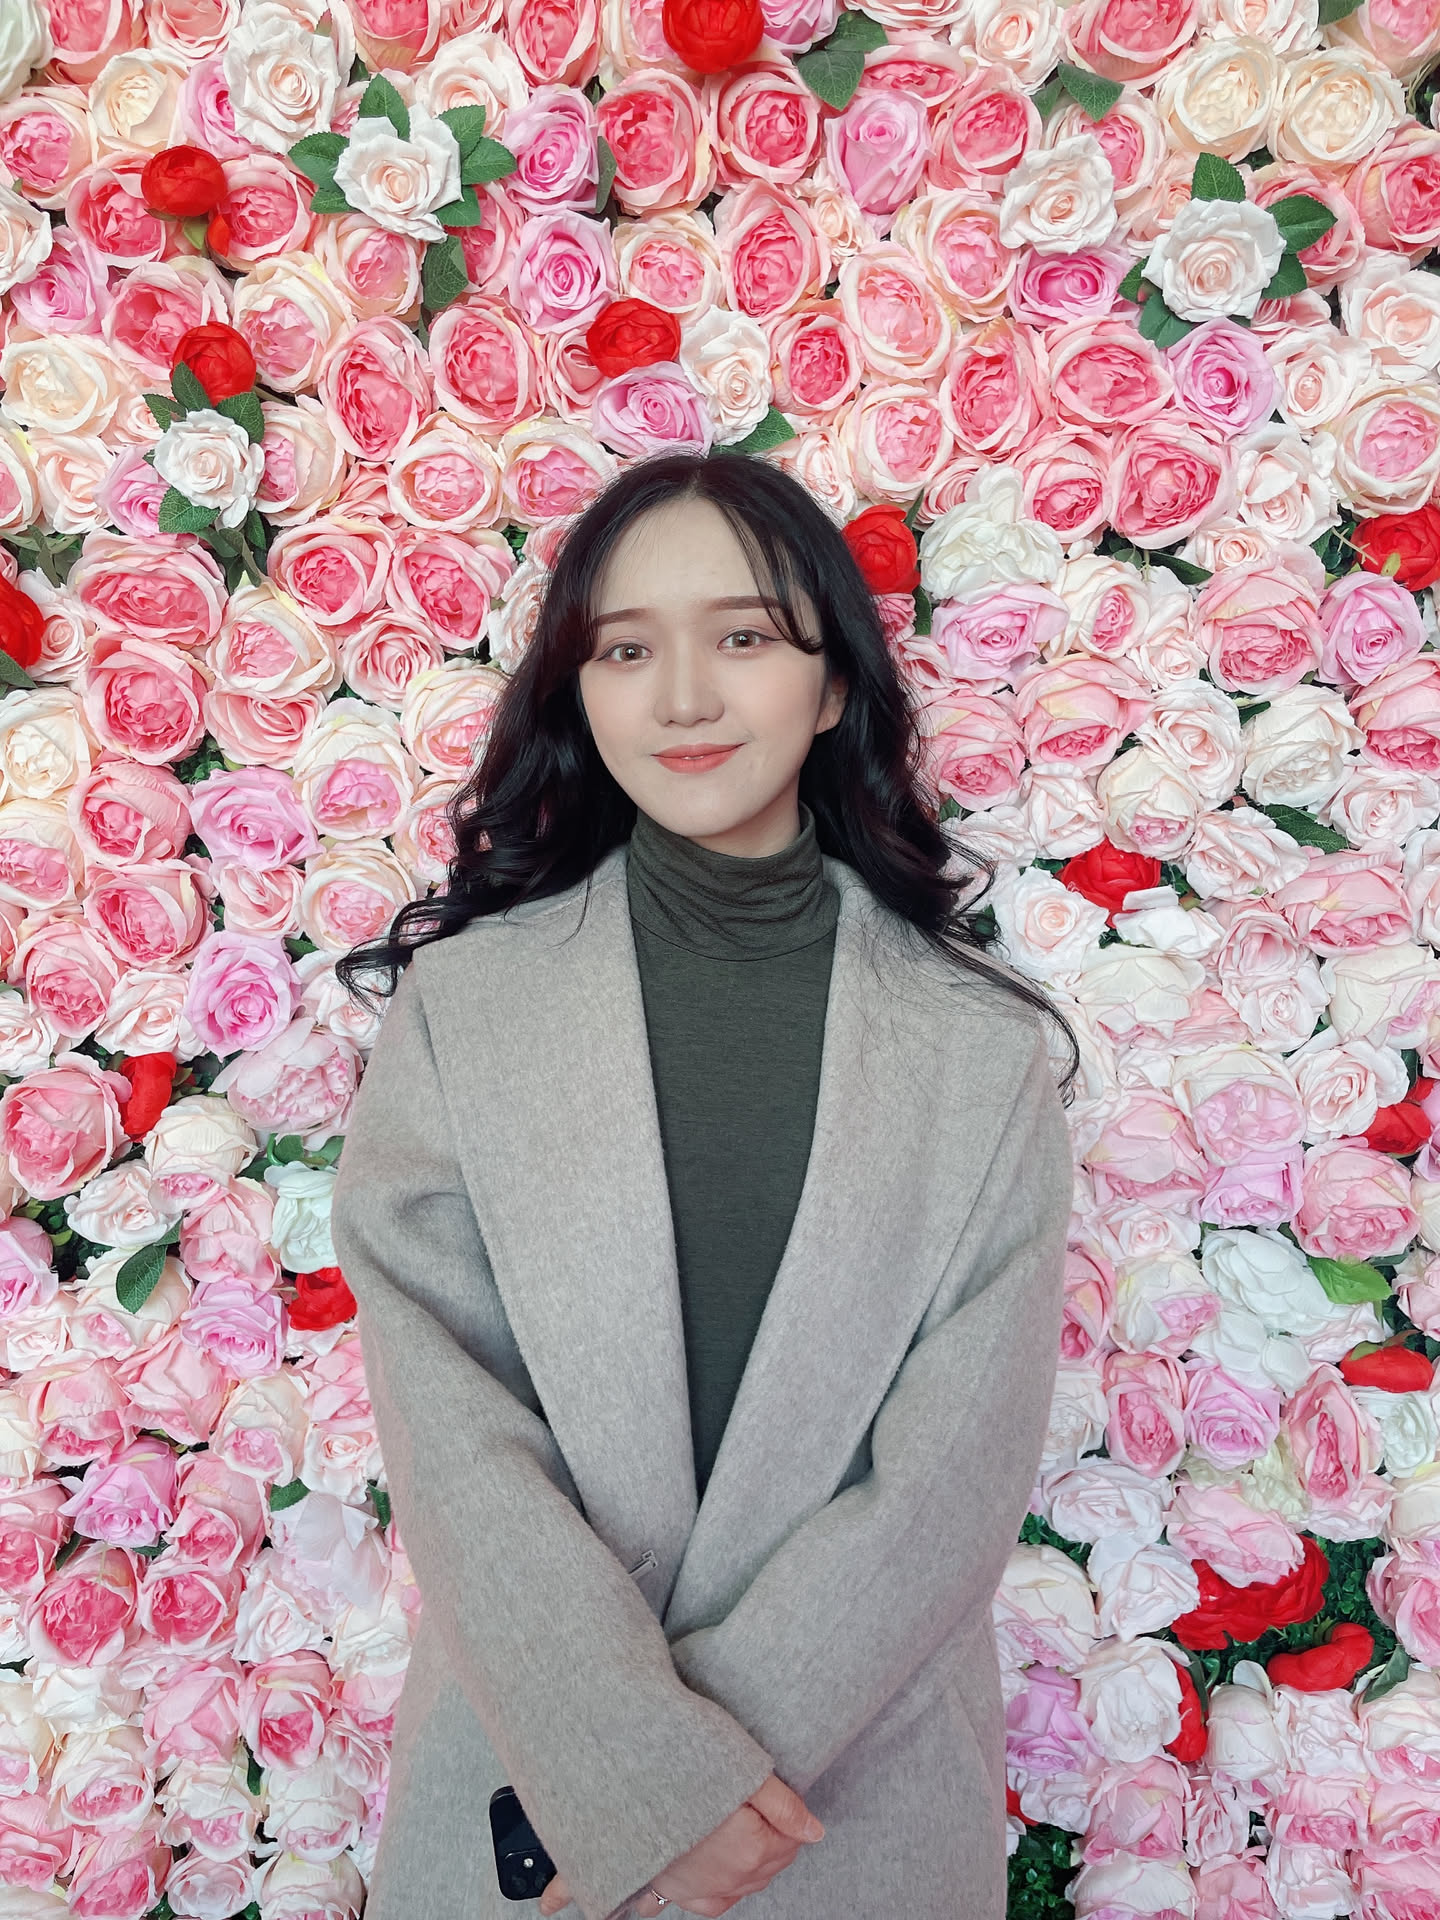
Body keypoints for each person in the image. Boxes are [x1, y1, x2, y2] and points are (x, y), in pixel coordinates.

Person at [328, 450, 1078, 1920]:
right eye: (625, 650)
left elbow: (949, 1483)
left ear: (835, 683)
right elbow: (454, 1432)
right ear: (578, 690)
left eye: (742, 636)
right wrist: (633, 1775)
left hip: (853, 1808)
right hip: (532, 1792)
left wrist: (694, 1792)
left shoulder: (976, 1052)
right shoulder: (468, 1012)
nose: (681, 699)